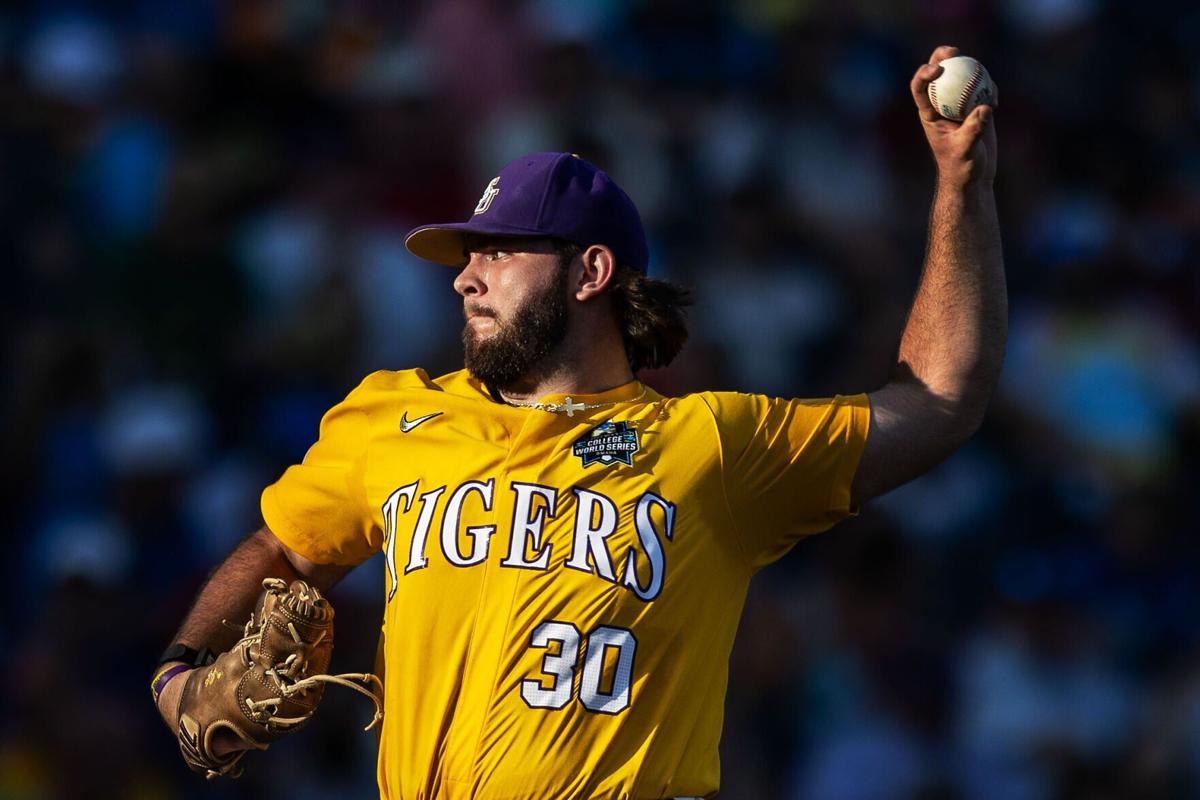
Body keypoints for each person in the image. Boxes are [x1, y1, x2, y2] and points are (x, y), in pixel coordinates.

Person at [153, 45, 1004, 799]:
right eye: (467, 256)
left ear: (590, 270)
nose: (466, 277)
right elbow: (282, 547)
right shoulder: (395, 414)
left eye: (497, 250)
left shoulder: (711, 445)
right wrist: (177, 670)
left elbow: (939, 400)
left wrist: (961, 187)